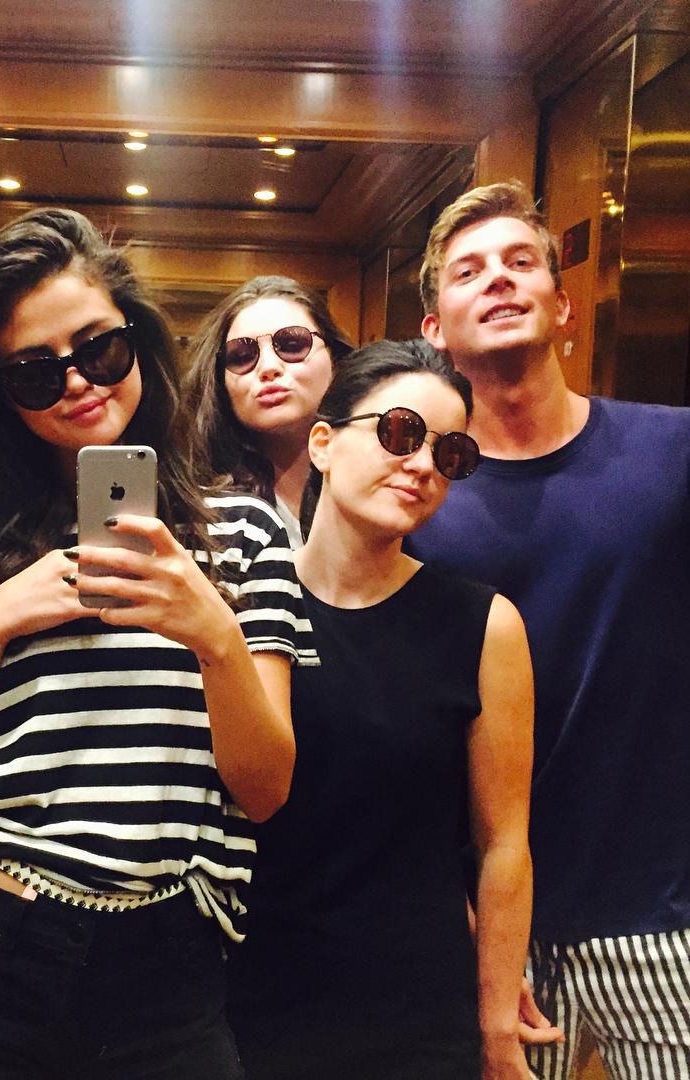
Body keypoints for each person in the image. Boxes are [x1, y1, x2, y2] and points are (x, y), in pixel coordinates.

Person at [0, 208, 304, 1080]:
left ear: (136, 340)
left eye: (99, 350)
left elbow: (264, 791)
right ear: (1, 395)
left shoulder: (246, 532)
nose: (76, 383)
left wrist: (214, 634)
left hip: (160, 964)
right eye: (34, 373)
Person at [408, 180, 690, 1078]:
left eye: (520, 262)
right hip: (487, 929)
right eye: (469, 271)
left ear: (564, 307)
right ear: (434, 330)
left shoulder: (675, 451)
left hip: (665, 917)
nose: (498, 278)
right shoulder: (415, 502)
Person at [228, 338, 538, 1080]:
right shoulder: (236, 607)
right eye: (400, 433)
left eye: (450, 453)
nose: (423, 464)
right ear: (323, 444)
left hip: (416, 1012)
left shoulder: (483, 625)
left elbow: (503, 843)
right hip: (242, 996)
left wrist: (497, 1021)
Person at [186, 275, 351, 546]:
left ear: (334, 357)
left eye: (293, 345)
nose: (268, 367)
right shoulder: (198, 504)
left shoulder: (381, 473)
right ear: (219, 380)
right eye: (242, 357)